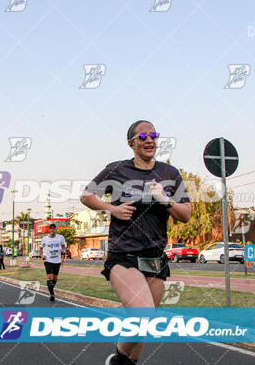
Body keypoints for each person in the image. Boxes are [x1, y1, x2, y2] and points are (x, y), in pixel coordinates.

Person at [80, 120, 191, 365]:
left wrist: (165, 199)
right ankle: (118, 358)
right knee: (142, 314)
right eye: (142, 137)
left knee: (146, 322)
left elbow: (185, 215)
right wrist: (113, 209)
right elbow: (86, 196)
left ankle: (125, 362)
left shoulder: (169, 173)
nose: (149, 140)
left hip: (155, 257)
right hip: (124, 255)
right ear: (131, 143)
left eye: (153, 135)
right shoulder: (117, 170)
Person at [39, 224, 67, 302]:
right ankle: (52, 294)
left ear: (56, 230)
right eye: (51, 229)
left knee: (55, 278)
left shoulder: (60, 237)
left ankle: (50, 288)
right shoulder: (45, 239)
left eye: (54, 229)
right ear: (49, 230)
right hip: (48, 260)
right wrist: (41, 255)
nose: (52, 231)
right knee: (50, 277)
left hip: (57, 260)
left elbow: (64, 245)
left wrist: (63, 250)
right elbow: (41, 247)